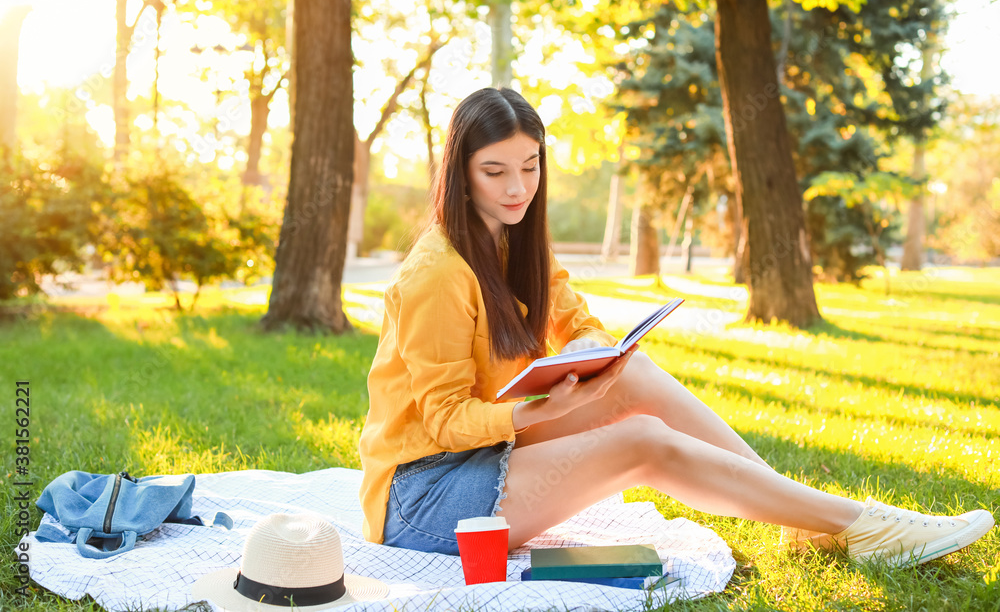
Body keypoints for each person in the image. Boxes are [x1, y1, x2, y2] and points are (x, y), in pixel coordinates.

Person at [357, 87, 994, 567]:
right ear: (460, 173)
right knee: (642, 443)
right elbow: (441, 421)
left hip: (480, 454)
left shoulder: (518, 244)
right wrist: (536, 411)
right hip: (423, 502)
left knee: (630, 374)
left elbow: (576, 320)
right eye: (495, 171)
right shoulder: (437, 274)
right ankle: (863, 528)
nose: (518, 187)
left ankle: (803, 517)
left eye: (530, 165)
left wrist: (588, 354)